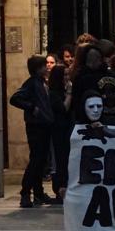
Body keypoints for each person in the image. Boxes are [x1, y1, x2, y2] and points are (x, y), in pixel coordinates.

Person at [10, 55, 54, 208]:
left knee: (40, 161)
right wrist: (32, 108)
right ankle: (25, 192)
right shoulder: (32, 83)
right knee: (36, 160)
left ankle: (38, 193)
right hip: (37, 126)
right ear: (37, 68)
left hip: (43, 125)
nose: (47, 68)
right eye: (43, 66)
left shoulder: (42, 83)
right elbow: (15, 98)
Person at [48, 65, 73, 202]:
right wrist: (69, 93)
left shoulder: (60, 92)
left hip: (66, 129)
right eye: (64, 75)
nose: (67, 78)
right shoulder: (53, 94)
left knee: (65, 159)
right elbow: (64, 108)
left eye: (68, 75)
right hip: (58, 130)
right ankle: (59, 188)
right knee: (59, 159)